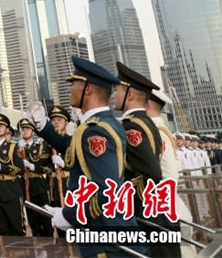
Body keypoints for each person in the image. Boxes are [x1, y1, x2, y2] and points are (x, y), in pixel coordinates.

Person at [31, 55, 146, 258]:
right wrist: (44, 126)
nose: (69, 89)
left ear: (88, 89)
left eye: (74, 83)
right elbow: (72, 145)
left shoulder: (96, 131)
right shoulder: (100, 124)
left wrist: (68, 215)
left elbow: (106, 188)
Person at [114, 62, 179, 258]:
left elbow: (151, 172)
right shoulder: (145, 123)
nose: (113, 95)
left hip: (146, 215)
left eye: (117, 90)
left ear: (130, 94)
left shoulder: (132, 126)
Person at [146, 84, 195, 257]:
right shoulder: (161, 130)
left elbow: (169, 176)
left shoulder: (157, 133)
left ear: (147, 105)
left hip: (163, 205)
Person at [0, 113, 24, 236]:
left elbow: (20, 169)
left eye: (1, 125)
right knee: (2, 229)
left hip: (11, 191)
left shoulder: (13, 146)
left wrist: (0, 166)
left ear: (7, 128)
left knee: (16, 227)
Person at [17, 117, 53, 237]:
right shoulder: (17, 148)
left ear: (33, 132)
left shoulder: (41, 146)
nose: (25, 131)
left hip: (39, 185)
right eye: (23, 129)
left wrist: (33, 167)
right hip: (24, 185)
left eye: (27, 129)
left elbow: (48, 167)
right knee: (32, 219)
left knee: (45, 216)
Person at [47, 105, 71, 206]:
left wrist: (64, 164)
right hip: (54, 186)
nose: (56, 122)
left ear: (67, 122)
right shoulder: (46, 143)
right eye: (53, 120)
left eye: (59, 119)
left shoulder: (72, 141)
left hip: (69, 183)